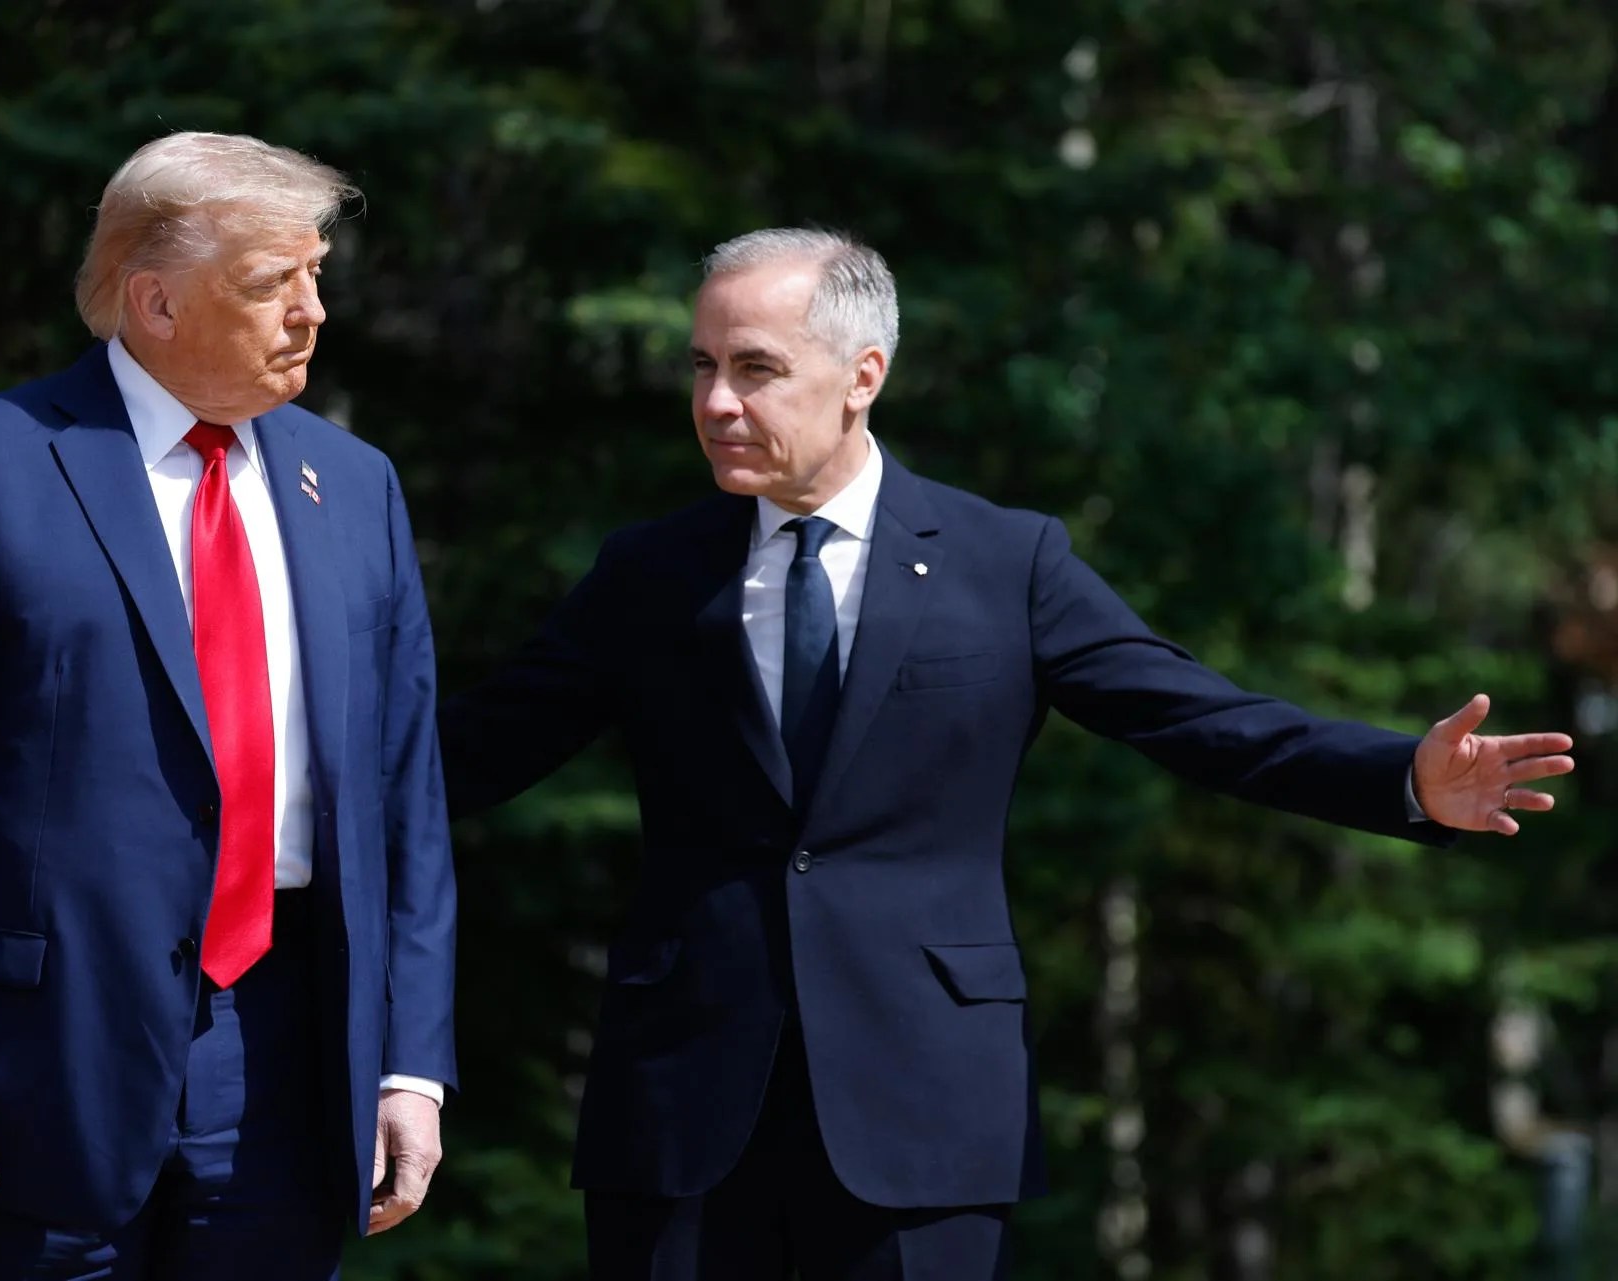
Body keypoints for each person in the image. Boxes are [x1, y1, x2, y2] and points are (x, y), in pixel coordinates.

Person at [439, 228, 1575, 1281]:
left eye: (756, 369)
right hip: (683, 1109)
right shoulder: (649, 573)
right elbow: (477, 753)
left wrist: (1399, 779)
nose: (718, 403)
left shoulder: (1006, 562)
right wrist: (284, 801)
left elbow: (1195, 719)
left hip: (923, 1112)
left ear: (864, 374)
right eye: (700, 368)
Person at [0, 131, 456, 1280]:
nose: (311, 312)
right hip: (33, 1072)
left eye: (317, 276)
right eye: (272, 284)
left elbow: (407, 799)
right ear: (154, 303)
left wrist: (410, 1063)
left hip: (290, 1055)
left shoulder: (356, 486)